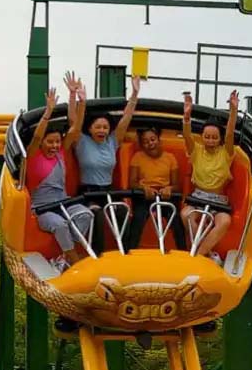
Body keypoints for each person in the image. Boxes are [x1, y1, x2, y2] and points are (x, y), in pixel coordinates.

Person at [65, 71, 138, 254]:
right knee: (95, 213)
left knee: (122, 211)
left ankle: (126, 253)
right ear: (89, 128)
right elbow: (73, 121)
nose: (102, 130)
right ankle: (97, 256)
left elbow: (126, 119)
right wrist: (74, 96)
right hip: (88, 192)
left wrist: (134, 95)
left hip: (108, 190)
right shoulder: (81, 141)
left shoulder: (112, 142)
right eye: (98, 126)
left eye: (105, 127)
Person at [26, 88, 92, 272]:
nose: (55, 145)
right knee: (59, 225)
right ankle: (75, 260)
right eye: (50, 142)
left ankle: (64, 255)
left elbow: (76, 129)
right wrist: (48, 112)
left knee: (86, 214)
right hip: (42, 209)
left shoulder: (61, 153)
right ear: (42, 143)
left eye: (57, 142)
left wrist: (81, 101)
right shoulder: (33, 157)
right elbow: (38, 135)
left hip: (64, 202)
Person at [180, 90, 239, 265]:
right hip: (198, 196)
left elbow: (230, 134)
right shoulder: (196, 150)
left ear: (220, 139)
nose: (210, 141)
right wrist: (187, 116)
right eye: (207, 137)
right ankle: (206, 254)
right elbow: (186, 136)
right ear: (202, 137)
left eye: (214, 138)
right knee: (185, 215)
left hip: (218, 199)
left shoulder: (226, 152)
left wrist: (233, 111)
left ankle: (198, 255)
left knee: (224, 221)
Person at [125, 126, 188, 251]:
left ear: (158, 139)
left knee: (175, 219)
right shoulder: (138, 157)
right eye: (145, 141)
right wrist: (143, 188)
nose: (150, 144)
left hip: (165, 196)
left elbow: (177, 185)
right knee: (138, 217)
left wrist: (169, 189)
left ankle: (183, 252)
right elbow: (132, 183)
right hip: (144, 195)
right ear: (142, 144)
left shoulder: (170, 158)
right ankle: (129, 252)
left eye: (152, 139)